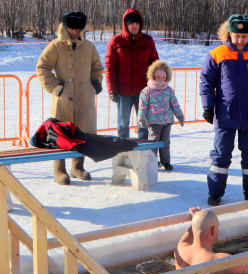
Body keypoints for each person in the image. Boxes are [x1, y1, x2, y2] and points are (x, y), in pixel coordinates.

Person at [200, 14, 248, 206]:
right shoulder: (217, 54)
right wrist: (207, 106)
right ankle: (215, 193)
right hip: (225, 113)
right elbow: (206, 82)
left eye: (244, 36)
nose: (240, 40)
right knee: (221, 154)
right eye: (236, 36)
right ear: (228, 33)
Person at [36, 11, 103, 185]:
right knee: (60, 134)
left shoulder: (89, 47)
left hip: (84, 99)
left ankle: (77, 167)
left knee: (83, 134)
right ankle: (59, 170)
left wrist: (95, 83)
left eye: (78, 29)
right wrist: (56, 88)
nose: (75, 32)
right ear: (65, 28)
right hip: (63, 100)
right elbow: (42, 67)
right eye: (72, 28)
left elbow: (97, 67)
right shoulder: (56, 46)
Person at [105, 8, 159, 139]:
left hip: (144, 92)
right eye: (131, 23)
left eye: (137, 23)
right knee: (123, 124)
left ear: (140, 24)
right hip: (123, 92)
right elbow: (110, 68)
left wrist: (156, 87)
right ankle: (124, 154)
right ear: (125, 25)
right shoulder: (116, 41)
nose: (134, 26)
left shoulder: (148, 41)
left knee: (143, 124)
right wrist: (112, 90)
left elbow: (155, 65)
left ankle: (143, 155)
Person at [138, 60, 185, 171]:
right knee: (153, 143)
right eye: (157, 77)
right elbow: (142, 106)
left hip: (167, 121)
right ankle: (152, 162)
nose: (160, 79)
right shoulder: (147, 91)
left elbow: (175, 104)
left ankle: (166, 162)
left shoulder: (168, 90)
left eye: (162, 77)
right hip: (154, 122)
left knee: (165, 143)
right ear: (153, 76)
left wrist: (180, 116)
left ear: (166, 77)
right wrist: (141, 119)